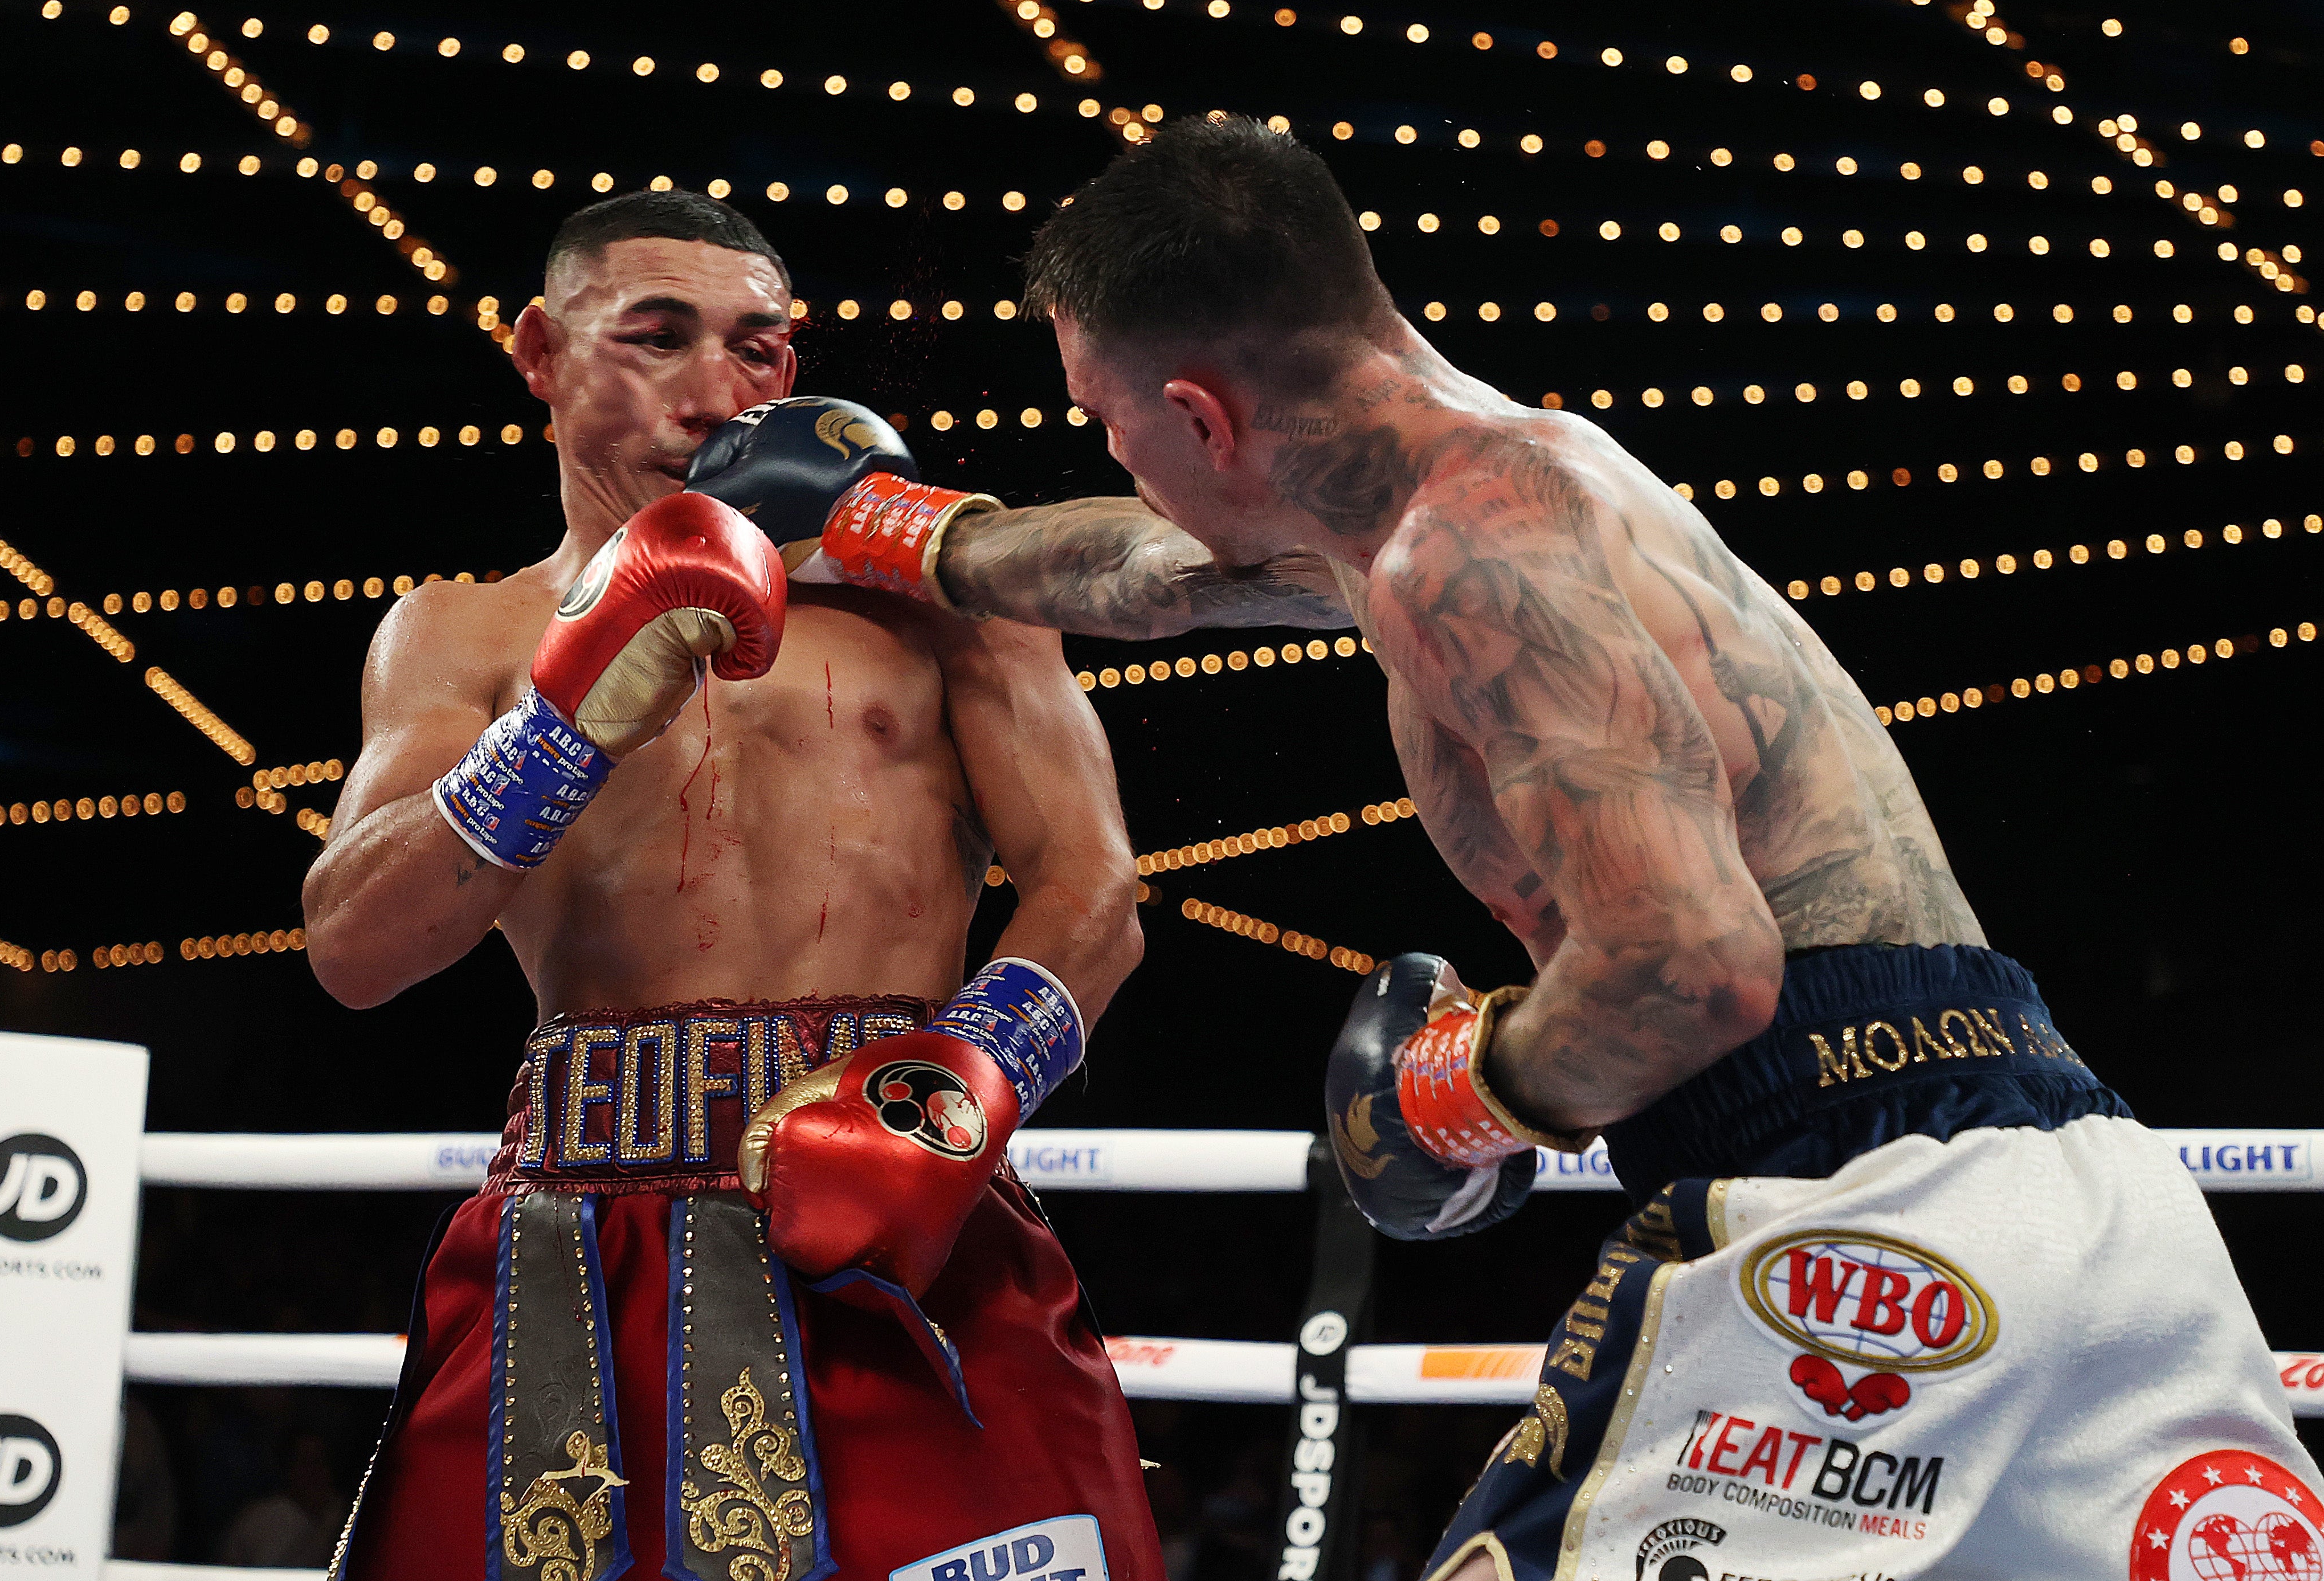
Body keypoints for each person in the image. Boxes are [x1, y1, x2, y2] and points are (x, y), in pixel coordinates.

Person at [782, 120, 2319, 1580]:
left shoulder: (1472, 554)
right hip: (2086, 1192)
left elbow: (1690, 966)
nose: (1120, 465)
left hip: (1855, 1201)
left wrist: (1454, 1100)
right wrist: (898, 529)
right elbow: (1158, 572)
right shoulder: (1500, 487)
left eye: (1113, 427)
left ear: (1199, 415)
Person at [301, 189, 1161, 1581]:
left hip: (908, 1203)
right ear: (540, 348)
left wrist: (951, 1086)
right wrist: (563, 721)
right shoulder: (464, 631)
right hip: (585, 1235)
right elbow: (353, 945)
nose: (718, 391)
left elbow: (1097, 895)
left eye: (760, 350)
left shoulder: (942, 600)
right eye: (658, 336)